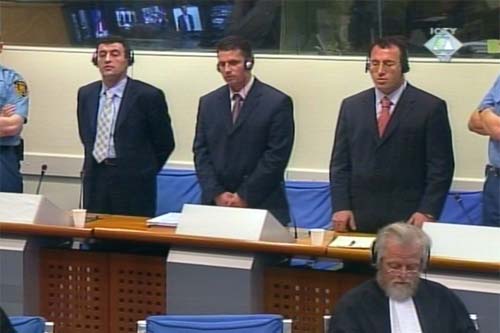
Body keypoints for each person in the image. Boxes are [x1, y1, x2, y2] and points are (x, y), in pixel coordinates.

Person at [329, 36, 454, 233]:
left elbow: (441, 167)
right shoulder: (352, 106)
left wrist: (428, 211)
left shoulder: (429, 107)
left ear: (403, 66)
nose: (380, 71)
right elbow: (340, 164)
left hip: (409, 216)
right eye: (374, 64)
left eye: (388, 64)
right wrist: (340, 206)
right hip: (359, 215)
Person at [193, 35, 294, 225]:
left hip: (261, 204)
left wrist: (244, 195)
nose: (227, 70)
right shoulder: (209, 102)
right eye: (222, 64)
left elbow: (276, 156)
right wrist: (217, 193)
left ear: (249, 63)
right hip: (215, 206)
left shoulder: (276, 102)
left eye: (233, 63)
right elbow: (201, 151)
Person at [77, 36, 175, 217]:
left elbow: (165, 143)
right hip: (96, 178)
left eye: (115, 54)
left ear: (128, 59)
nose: (107, 59)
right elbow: (86, 135)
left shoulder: (148, 95)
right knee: (96, 237)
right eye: (102, 54)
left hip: (134, 182)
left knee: (130, 240)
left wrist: (144, 170)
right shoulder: (86, 94)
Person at [329, 222, 476, 333]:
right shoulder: (353, 306)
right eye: (394, 266)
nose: (403, 274)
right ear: (378, 262)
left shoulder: (442, 298)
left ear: (423, 264)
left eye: (411, 267)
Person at [468, 75, 500, 227]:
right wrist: (488, 116)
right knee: (491, 246)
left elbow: (497, 129)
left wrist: (486, 111)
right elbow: (474, 122)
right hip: (495, 181)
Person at [0, 36, 29, 193]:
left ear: (1, 47)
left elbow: (12, 126)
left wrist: (6, 121)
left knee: (9, 210)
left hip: (4, 158)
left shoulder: (15, 82)